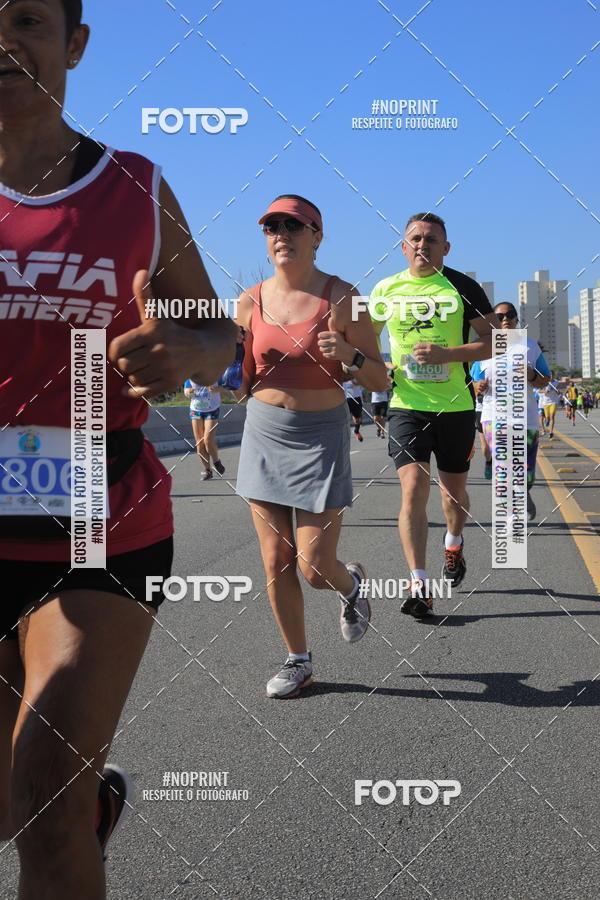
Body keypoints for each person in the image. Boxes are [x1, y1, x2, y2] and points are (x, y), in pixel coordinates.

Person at [0, 3, 237, 898]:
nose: (4, 39)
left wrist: (189, 350)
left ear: (75, 44)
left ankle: (72, 814)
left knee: (45, 817)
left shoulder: (132, 184)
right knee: (12, 804)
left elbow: (214, 328)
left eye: (26, 17)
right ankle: (89, 808)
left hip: (101, 519)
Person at [234, 194, 388, 697]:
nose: (281, 234)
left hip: (320, 435)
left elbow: (382, 379)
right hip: (262, 430)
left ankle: (352, 586)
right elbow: (240, 380)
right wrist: (215, 373)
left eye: (293, 226)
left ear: (317, 236)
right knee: (274, 557)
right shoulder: (249, 300)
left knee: (315, 566)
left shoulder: (345, 297)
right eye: (271, 226)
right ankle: (298, 661)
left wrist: (348, 354)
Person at [369, 213, 499, 616]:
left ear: (446, 246)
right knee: (412, 489)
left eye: (431, 239)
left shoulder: (463, 287)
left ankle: (454, 543)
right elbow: (365, 340)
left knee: (452, 494)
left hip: (456, 406)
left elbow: (494, 342)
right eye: (415, 239)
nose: (422, 245)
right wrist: (372, 366)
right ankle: (419, 583)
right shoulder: (386, 288)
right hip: (407, 405)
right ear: (403, 246)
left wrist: (447, 355)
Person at [471, 302, 550, 521]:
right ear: (493, 321)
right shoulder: (482, 349)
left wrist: (531, 375)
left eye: (510, 315)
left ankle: (523, 493)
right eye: (500, 316)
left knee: (527, 473)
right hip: (494, 417)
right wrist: (480, 387)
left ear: (516, 319)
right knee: (504, 468)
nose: (505, 319)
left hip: (526, 419)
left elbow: (545, 380)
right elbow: (475, 383)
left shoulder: (530, 347)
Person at [184, 380, 226, 479]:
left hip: (212, 409)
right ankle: (208, 470)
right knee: (199, 443)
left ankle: (216, 461)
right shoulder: (191, 374)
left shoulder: (214, 371)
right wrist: (189, 392)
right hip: (196, 409)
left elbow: (224, 387)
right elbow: (186, 391)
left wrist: (216, 389)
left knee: (207, 440)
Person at [470, 362, 493, 477]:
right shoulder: (478, 364)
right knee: (486, 443)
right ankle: (489, 462)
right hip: (482, 410)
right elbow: (471, 384)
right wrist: (478, 385)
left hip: (505, 410)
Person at [538, 371, 561, 438]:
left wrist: (558, 392)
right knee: (547, 418)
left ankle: (551, 432)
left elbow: (559, 391)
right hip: (545, 402)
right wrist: (545, 391)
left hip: (553, 402)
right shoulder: (544, 382)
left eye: (552, 375)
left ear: (554, 375)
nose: (551, 377)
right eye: (550, 375)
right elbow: (539, 390)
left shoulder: (556, 382)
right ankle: (547, 420)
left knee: (552, 417)